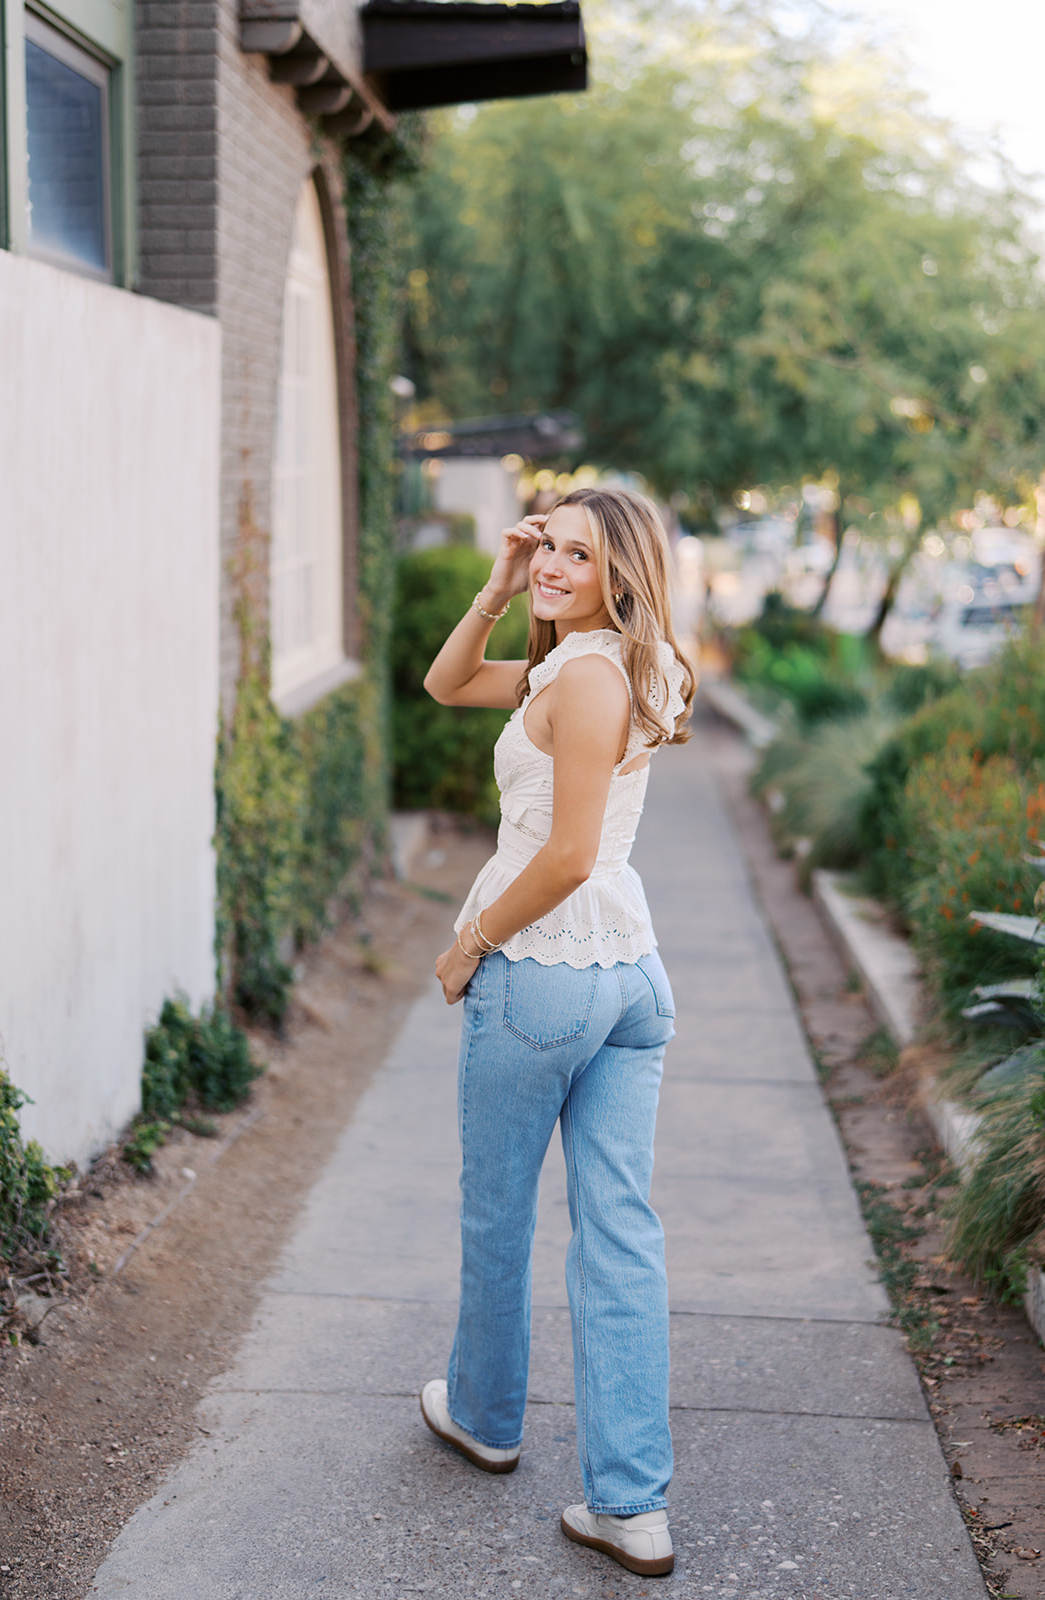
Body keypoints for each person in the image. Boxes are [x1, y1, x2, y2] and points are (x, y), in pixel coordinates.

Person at [417, 485, 696, 1578]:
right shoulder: (628, 662)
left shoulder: (579, 677)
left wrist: (469, 942)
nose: (551, 566)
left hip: (540, 974)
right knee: (620, 1232)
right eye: (548, 547)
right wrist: (498, 583)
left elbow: (571, 853)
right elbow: (446, 682)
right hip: (628, 976)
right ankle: (632, 1506)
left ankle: (486, 1417)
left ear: (618, 574)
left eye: (578, 556)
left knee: (498, 1212)